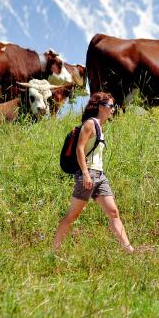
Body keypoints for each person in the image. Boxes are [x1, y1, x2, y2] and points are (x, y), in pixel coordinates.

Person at [53, 92, 134, 253]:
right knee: (72, 215)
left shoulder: (100, 126)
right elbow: (79, 149)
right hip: (88, 174)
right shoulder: (90, 124)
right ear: (100, 107)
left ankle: (129, 250)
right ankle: (54, 250)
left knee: (113, 212)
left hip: (100, 176)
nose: (113, 109)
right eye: (110, 106)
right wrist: (85, 173)